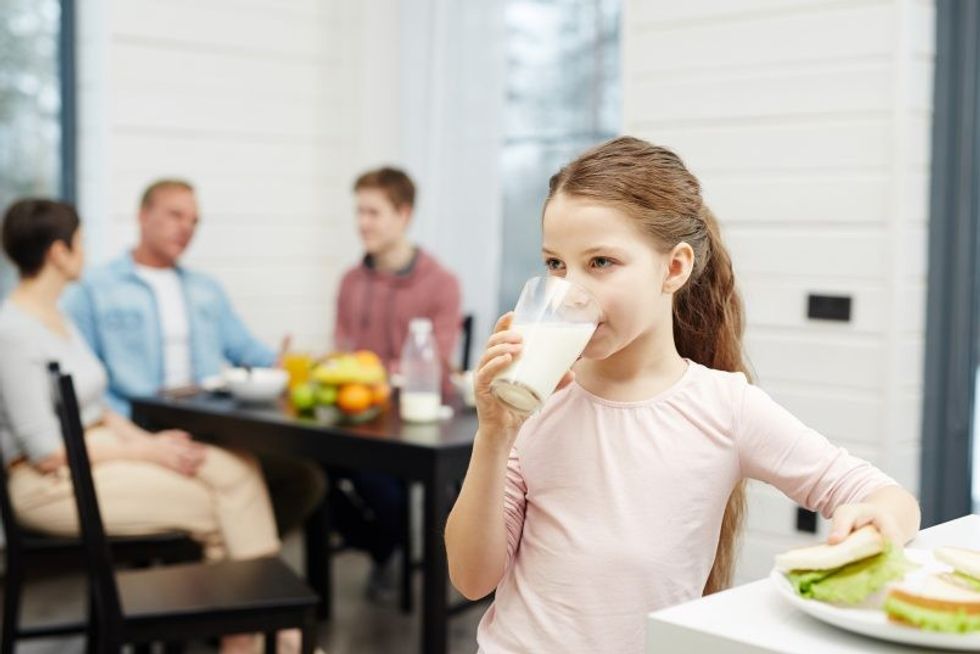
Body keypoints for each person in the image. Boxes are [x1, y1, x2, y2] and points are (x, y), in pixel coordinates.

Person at [444, 137, 921, 653]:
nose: (571, 292)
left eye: (600, 262)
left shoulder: (724, 407)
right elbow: (471, 578)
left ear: (673, 268)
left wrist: (878, 521)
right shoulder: (538, 396)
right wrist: (494, 435)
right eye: (556, 264)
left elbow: (886, 497)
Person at [0, 199, 295, 654]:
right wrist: (144, 453)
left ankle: (264, 635)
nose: (86, 252)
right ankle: (274, 638)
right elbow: (47, 452)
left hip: (96, 452)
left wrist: (150, 441)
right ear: (59, 253)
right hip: (50, 483)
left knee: (239, 468)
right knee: (222, 508)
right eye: (81, 242)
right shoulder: (12, 331)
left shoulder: (57, 317)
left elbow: (96, 407)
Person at [63, 180, 325, 537]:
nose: (186, 228)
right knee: (242, 480)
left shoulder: (206, 289)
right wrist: (130, 438)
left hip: (208, 423)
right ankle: (222, 545)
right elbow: (80, 374)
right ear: (143, 217)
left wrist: (283, 361)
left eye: (194, 221)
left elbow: (248, 351)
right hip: (137, 426)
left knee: (304, 478)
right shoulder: (94, 288)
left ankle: (225, 550)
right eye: (176, 215)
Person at [331, 167, 462, 600]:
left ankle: (393, 550)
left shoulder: (441, 283)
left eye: (373, 213)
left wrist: (364, 370)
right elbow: (340, 352)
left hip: (417, 422)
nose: (362, 223)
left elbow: (437, 361)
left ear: (403, 214)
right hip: (360, 416)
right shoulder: (350, 282)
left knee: (377, 478)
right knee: (307, 467)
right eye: (359, 212)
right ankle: (384, 546)